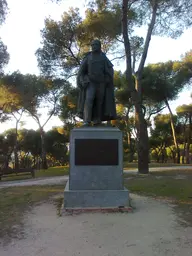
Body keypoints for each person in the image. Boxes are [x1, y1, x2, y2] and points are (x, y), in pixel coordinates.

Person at [77, 39, 116, 126]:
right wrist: (82, 80)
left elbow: (110, 69)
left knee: (99, 102)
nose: (94, 46)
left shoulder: (103, 57)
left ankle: (97, 120)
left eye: (96, 45)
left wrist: (107, 79)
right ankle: (86, 120)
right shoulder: (88, 57)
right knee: (89, 100)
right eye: (93, 45)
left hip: (101, 83)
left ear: (99, 46)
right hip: (90, 82)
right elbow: (81, 71)